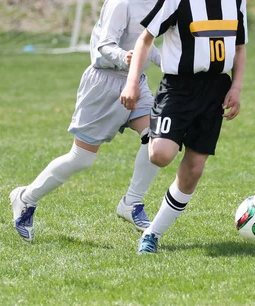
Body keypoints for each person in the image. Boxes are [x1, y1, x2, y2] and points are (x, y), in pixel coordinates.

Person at [9, 0, 163, 241]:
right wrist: (126, 57)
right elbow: (104, 45)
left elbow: (147, 44)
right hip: (103, 83)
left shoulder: (158, 3)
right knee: (82, 158)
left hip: (136, 81)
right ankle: (26, 198)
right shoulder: (121, 4)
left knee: (156, 138)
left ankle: (131, 203)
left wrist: (170, 64)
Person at [120, 0, 248, 254]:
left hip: (215, 90)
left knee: (194, 169)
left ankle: (152, 234)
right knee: (160, 155)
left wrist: (236, 86)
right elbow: (145, 39)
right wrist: (132, 82)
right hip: (178, 89)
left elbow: (239, 47)